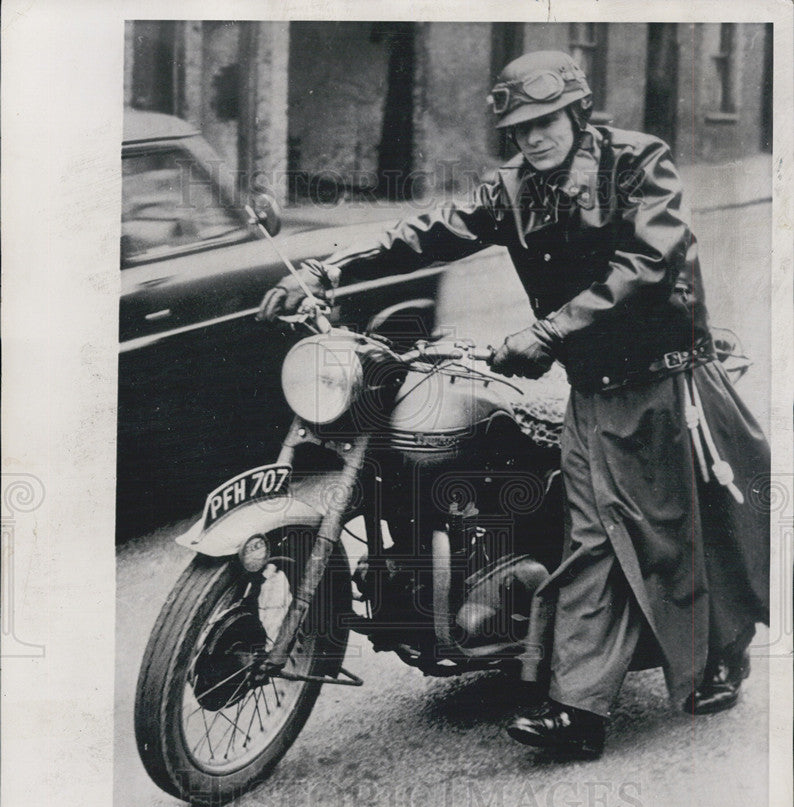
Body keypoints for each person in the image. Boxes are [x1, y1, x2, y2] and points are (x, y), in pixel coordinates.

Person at [257, 50, 770, 758]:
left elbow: (648, 265)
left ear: (576, 113)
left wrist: (548, 331)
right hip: (595, 390)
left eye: (546, 121)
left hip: (662, 378)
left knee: (678, 531)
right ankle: (580, 712)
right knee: (596, 538)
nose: (534, 138)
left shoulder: (638, 163)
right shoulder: (516, 190)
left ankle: (718, 652)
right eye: (520, 128)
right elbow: (427, 232)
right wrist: (328, 266)